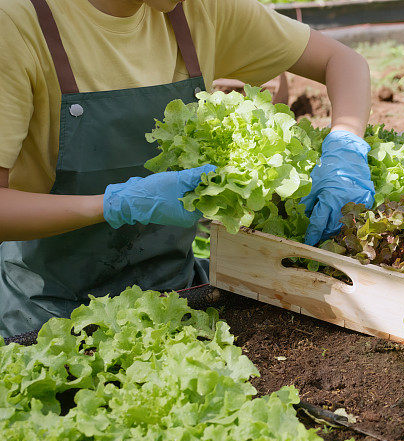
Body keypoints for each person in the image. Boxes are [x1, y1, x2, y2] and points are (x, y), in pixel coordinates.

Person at [0, 0, 375, 337]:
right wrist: (114, 204)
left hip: (177, 296)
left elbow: (342, 61)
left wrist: (346, 147)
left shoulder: (199, 9)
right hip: (51, 314)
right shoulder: (17, 22)